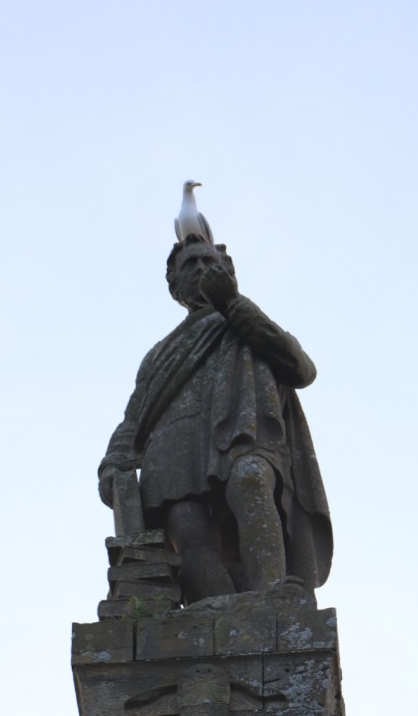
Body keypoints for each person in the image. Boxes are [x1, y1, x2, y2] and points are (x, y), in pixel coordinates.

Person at [99, 235, 332, 605]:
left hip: (243, 427)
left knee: (250, 479)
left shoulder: (247, 320)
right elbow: (134, 417)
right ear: (175, 286)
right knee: (186, 527)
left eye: (210, 262)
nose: (202, 269)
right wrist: (114, 460)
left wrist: (233, 304)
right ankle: (217, 609)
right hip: (174, 444)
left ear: (228, 275)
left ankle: (272, 594)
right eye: (190, 264)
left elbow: (301, 368)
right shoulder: (159, 354)